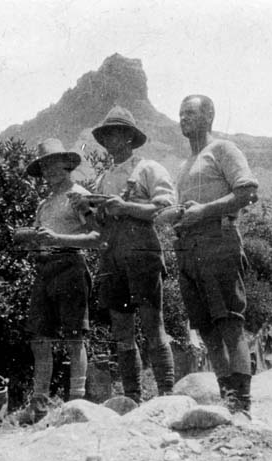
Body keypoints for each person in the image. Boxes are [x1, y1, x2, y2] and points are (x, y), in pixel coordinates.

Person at [172, 94, 258, 417]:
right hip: (189, 247)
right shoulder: (185, 165)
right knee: (206, 328)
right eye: (180, 114)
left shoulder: (222, 150)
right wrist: (177, 215)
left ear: (209, 117)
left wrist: (204, 211)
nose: (183, 118)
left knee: (229, 323)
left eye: (190, 113)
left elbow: (248, 193)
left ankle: (243, 404)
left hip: (218, 241)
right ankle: (227, 398)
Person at [90, 106, 176, 403]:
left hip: (141, 251)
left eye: (115, 133)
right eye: (106, 134)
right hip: (112, 254)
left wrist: (126, 207)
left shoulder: (149, 168)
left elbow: (164, 208)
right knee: (122, 330)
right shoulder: (103, 178)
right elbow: (98, 224)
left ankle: (166, 395)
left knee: (154, 324)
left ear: (129, 137)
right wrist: (91, 210)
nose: (109, 140)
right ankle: (132, 398)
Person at [23, 139, 99, 418]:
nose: (49, 171)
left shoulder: (79, 195)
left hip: (70, 266)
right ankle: (39, 406)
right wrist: (30, 237)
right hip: (45, 270)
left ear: (66, 165)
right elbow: (39, 236)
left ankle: (75, 404)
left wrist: (59, 239)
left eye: (54, 164)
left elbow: (97, 238)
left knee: (74, 337)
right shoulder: (44, 204)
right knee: (39, 339)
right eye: (44, 166)